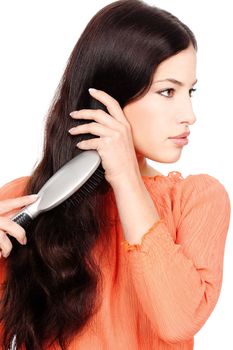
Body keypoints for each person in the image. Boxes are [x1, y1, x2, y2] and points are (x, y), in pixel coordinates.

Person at [0, 0, 230, 349]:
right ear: (109, 97)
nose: (190, 115)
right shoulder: (27, 200)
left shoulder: (196, 199)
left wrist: (125, 177)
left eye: (190, 91)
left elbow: (178, 320)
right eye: (168, 91)